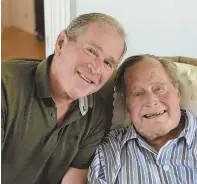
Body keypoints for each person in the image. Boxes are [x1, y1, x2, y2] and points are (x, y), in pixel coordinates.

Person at [1, 13, 126, 184]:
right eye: (91, 51)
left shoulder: (96, 115)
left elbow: (74, 179)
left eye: (107, 63)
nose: (96, 69)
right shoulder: (5, 86)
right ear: (61, 43)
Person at [88, 55, 197, 184]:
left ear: (177, 93)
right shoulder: (106, 153)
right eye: (138, 93)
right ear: (127, 104)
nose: (151, 101)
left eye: (158, 88)